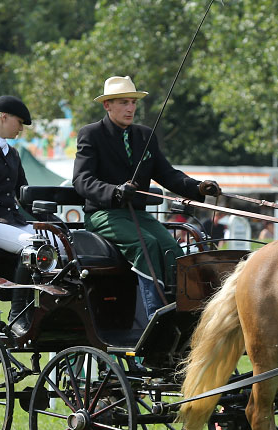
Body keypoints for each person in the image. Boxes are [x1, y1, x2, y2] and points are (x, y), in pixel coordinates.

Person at [72, 76, 221, 319]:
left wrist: (199, 188)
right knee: (147, 245)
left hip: (138, 215)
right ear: (107, 105)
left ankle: (181, 313)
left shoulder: (144, 136)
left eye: (132, 102)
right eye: (123, 103)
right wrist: (115, 191)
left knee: (172, 248)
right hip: (103, 214)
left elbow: (167, 174)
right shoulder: (91, 134)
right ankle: (154, 316)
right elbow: (82, 180)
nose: (130, 108)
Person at [0, 95, 61, 336]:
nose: (21, 129)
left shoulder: (13, 154)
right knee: (33, 247)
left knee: (60, 244)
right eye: (19, 123)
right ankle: (17, 313)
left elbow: (24, 195)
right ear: (3, 118)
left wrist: (51, 221)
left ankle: (53, 309)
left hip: (13, 223)